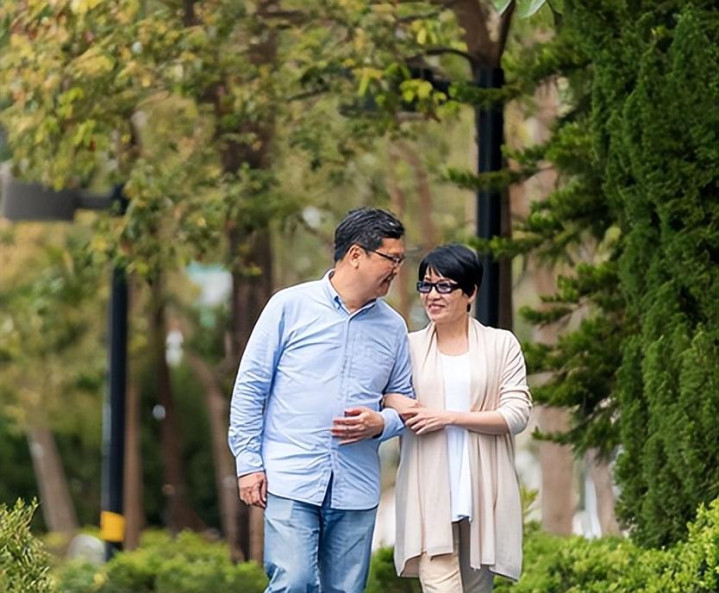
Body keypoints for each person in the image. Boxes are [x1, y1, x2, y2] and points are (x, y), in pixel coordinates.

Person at [228, 208, 415, 593]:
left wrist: (381, 424)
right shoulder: (288, 307)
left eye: (400, 260)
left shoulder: (394, 327)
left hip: (356, 486)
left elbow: (405, 402)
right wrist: (248, 463)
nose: (397, 270)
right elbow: (250, 387)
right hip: (291, 476)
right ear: (356, 254)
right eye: (391, 259)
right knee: (293, 582)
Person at [384, 244, 532, 593]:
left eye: (445, 286)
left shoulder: (501, 345)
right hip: (428, 490)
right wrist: (400, 404)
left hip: (482, 490)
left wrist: (449, 417)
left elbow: (516, 413)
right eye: (426, 285)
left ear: (471, 293)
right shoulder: (408, 347)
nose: (432, 295)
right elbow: (385, 394)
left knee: (478, 588)